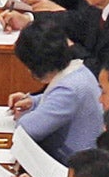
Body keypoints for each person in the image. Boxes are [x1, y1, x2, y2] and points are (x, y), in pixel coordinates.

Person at [11, 20, 104, 160]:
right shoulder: (79, 71)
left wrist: (23, 115)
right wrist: (33, 102)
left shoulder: (69, 90)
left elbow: (26, 129)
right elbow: (56, 102)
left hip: (71, 166)